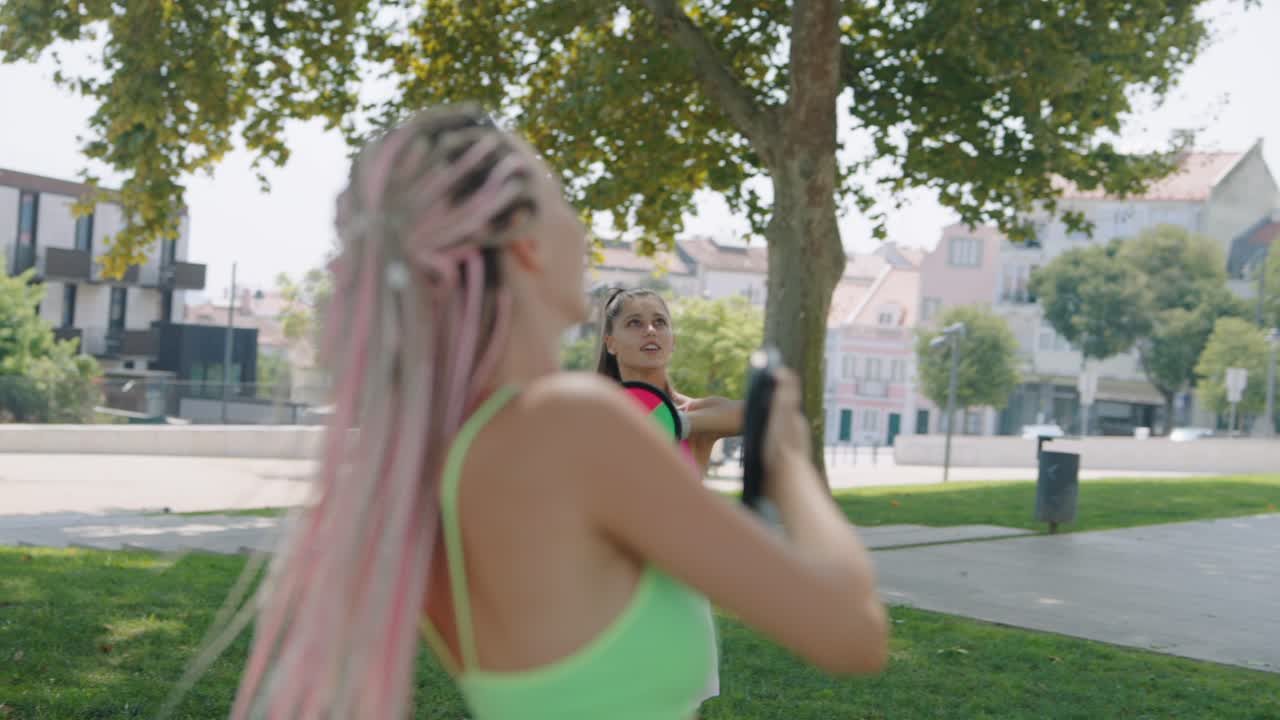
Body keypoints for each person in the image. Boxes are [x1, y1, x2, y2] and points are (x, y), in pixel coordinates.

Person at [230, 105, 886, 720]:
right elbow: (852, 632)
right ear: (528, 248)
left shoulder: (437, 462)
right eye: (564, 204)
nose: (582, 227)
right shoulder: (572, 424)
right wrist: (789, 462)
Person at [595, 287, 745, 476]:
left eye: (659, 322)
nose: (650, 330)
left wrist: (674, 422)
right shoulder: (593, 418)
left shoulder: (695, 413)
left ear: (673, 341)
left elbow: (758, 414)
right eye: (635, 323)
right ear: (611, 343)